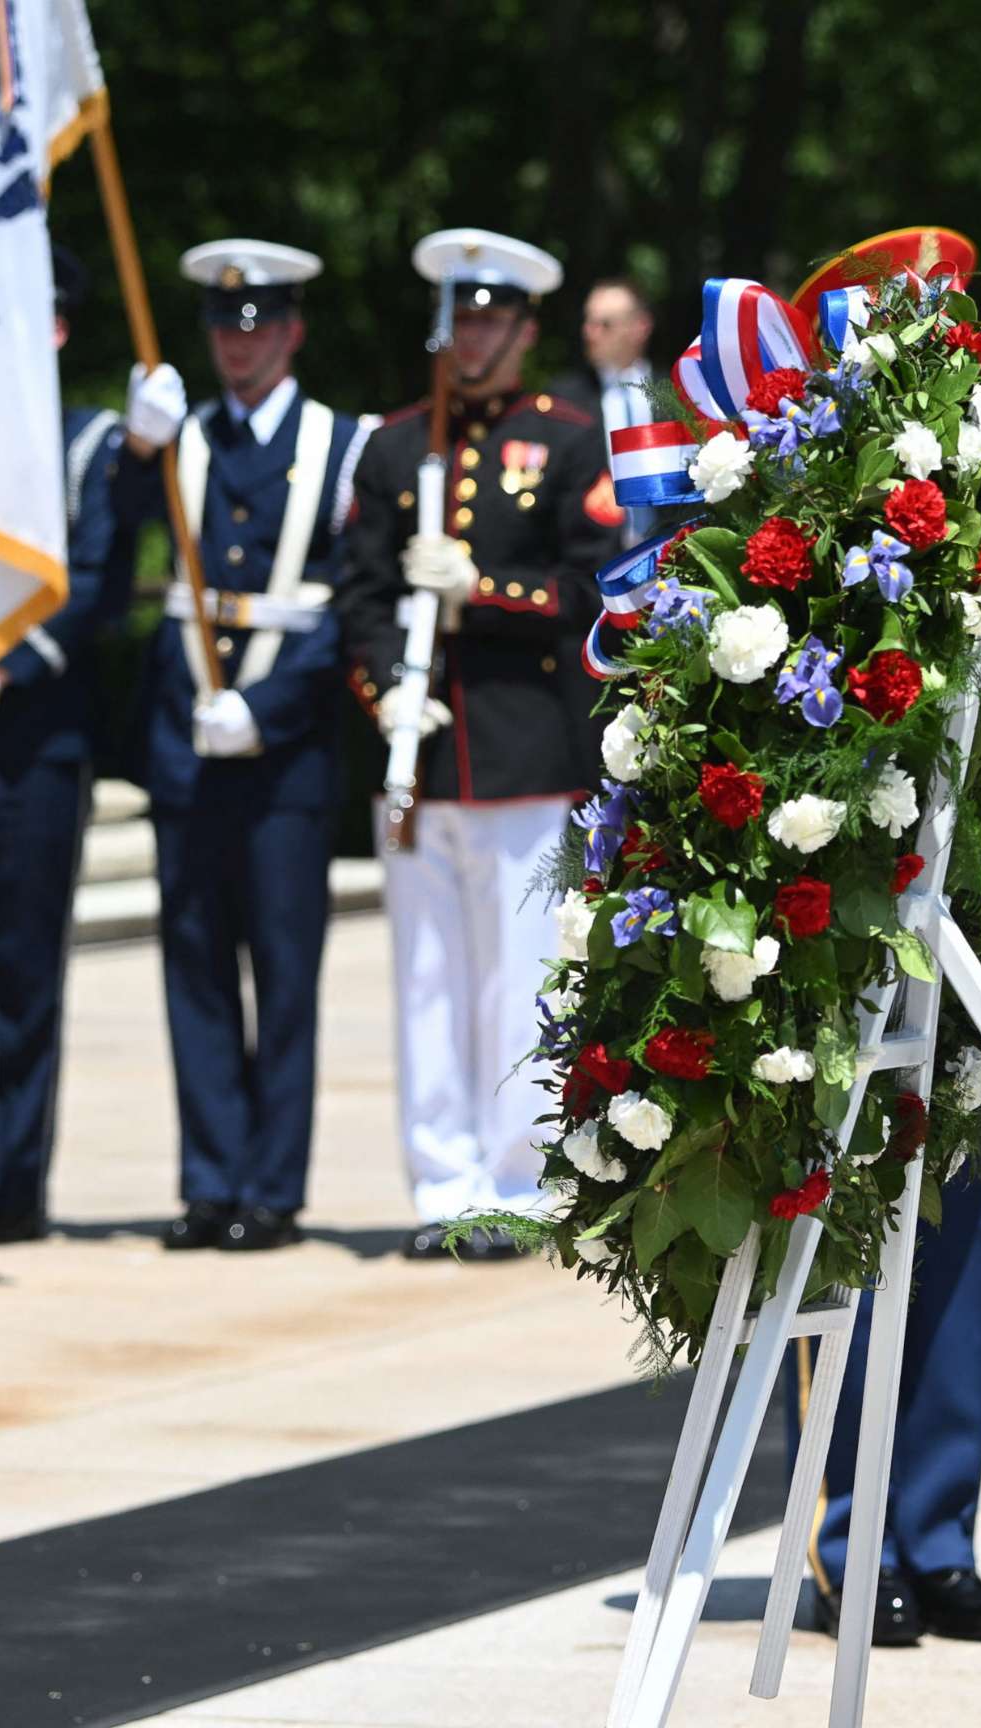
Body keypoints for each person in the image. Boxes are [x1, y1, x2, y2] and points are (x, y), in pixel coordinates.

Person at [339, 228, 620, 1259]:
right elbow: (361, 596)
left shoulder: (566, 438)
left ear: (525, 329)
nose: (474, 338)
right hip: (424, 757)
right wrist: (386, 700)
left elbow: (592, 595)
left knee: (519, 979)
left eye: (493, 320)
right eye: (461, 318)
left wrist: (483, 592)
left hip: (521, 754)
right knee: (424, 978)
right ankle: (440, 1183)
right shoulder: (397, 444)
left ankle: (516, 1181)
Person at [119, 237, 369, 1253]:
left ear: (292, 331)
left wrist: (269, 707)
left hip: (285, 753)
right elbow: (107, 542)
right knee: (195, 971)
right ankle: (208, 1183)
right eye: (225, 324)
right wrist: (135, 452)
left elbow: (350, 605)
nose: (239, 342)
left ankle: (271, 1192)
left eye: (257, 324)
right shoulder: (179, 437)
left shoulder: (337, 442)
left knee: (284, 970)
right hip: (187, 744)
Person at [0, 245, 163, 1248]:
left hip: (35, 735)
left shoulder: (90, 444)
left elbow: (101, 584)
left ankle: (10, 1185)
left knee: (23, 971)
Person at [781, 1014, 981, 1648]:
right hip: (874, 944)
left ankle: (936, 1538)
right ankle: (852, 1547)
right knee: (852, 1232)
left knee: (965, 1247)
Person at [551, 277, 656, 545]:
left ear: (640, 328)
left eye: (605, 324)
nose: (590, 332)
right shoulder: (563, 399)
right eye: (589, 322)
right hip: (592, 561)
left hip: (669, 561)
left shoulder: (679, 394)